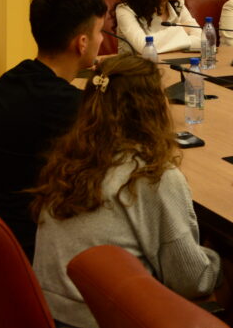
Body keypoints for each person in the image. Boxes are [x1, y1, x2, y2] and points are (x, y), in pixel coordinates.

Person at [32, 54, 222, 328]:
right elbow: (192, 281)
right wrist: (216, 260)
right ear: (152, 108)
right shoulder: (152, 175)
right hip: (101, 319)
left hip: (51, 313)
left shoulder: (68, 159)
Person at [0, 0, 106, 260]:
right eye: (100, 31)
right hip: (24, 247)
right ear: (82, 42)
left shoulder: (14, 77)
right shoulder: (66, 105)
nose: (102, 40)